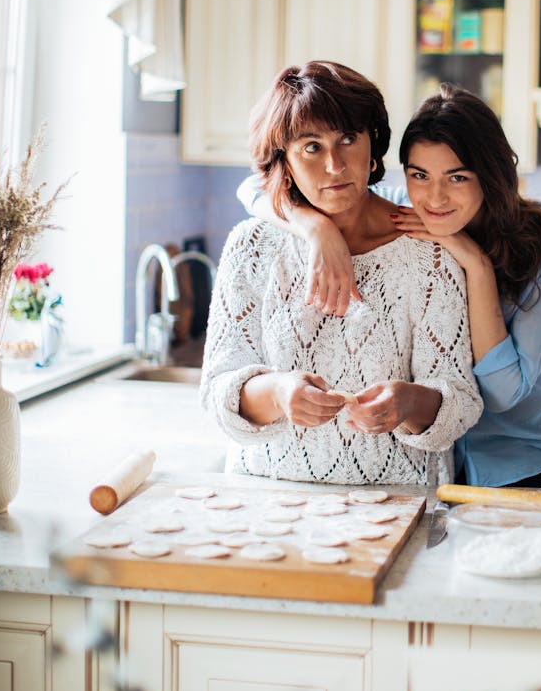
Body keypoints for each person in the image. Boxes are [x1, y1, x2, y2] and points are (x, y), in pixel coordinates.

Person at [239, 83, 541, 489]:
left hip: (520, 462)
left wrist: (474, 262)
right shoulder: (405, 208)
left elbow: (504, 394)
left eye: (457, 177)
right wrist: (316, 229)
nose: (435, 197)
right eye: (420, 174)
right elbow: (253, 189)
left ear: (490, 176)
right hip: (435, 467)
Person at [201, 62, 483, 487]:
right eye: (311, 147)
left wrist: (409, 403)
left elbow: (460, 402)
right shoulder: (251, 246)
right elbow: (217, 393)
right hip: (265, 500)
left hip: (399, 500)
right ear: (285, 162)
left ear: (373, 146)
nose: (334, 165)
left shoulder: (430, 252)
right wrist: (278, 392)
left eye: (348, 139)